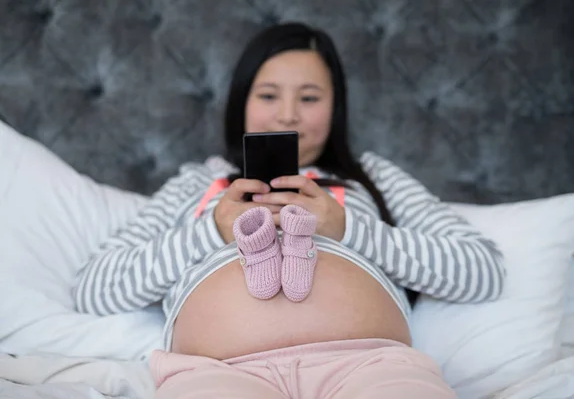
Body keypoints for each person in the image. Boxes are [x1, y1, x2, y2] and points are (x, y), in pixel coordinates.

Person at [74, 22, 505, 398]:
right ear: (241, 101)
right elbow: (94, 287)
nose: (287, 114)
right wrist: (212, 233)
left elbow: (483, 271)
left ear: (336, 108)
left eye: (310, 98)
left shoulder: (371, 176)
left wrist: (350, 229)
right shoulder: (197, 183)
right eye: (267, 95)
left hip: (372, 365)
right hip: (217, 370)